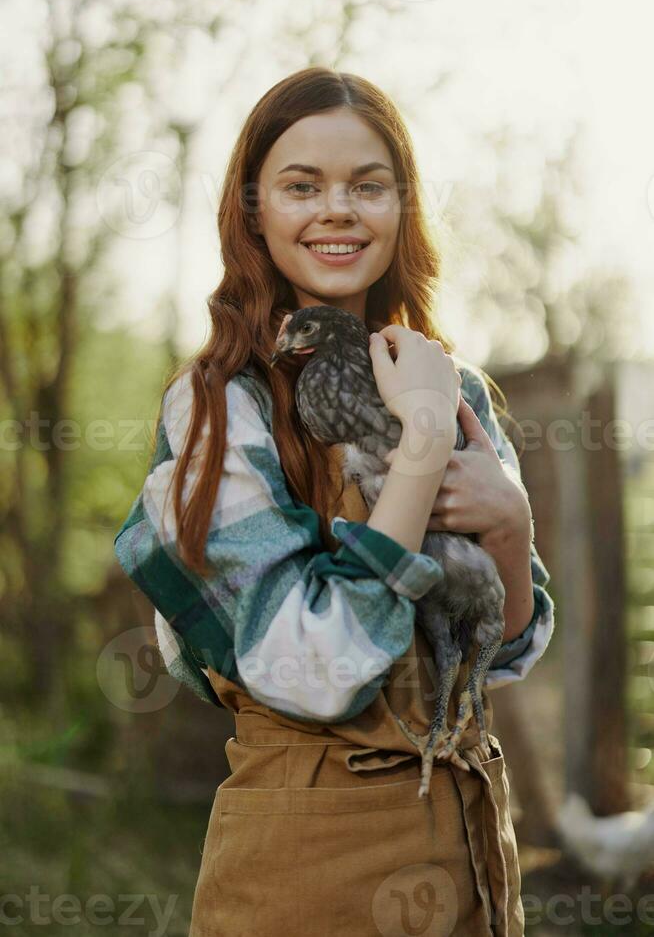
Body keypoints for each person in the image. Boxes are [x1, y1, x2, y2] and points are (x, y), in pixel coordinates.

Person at [114, 66, 555, 936]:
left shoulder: (450, 379)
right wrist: (422, 451)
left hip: (471, 852)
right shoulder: (219, 407)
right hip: (308, 868)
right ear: (253, 213)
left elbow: (501, 650)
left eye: (368, 185)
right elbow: (314, 671)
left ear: (404, 207)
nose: (338, 209)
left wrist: (511, 529)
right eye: (301, 185)